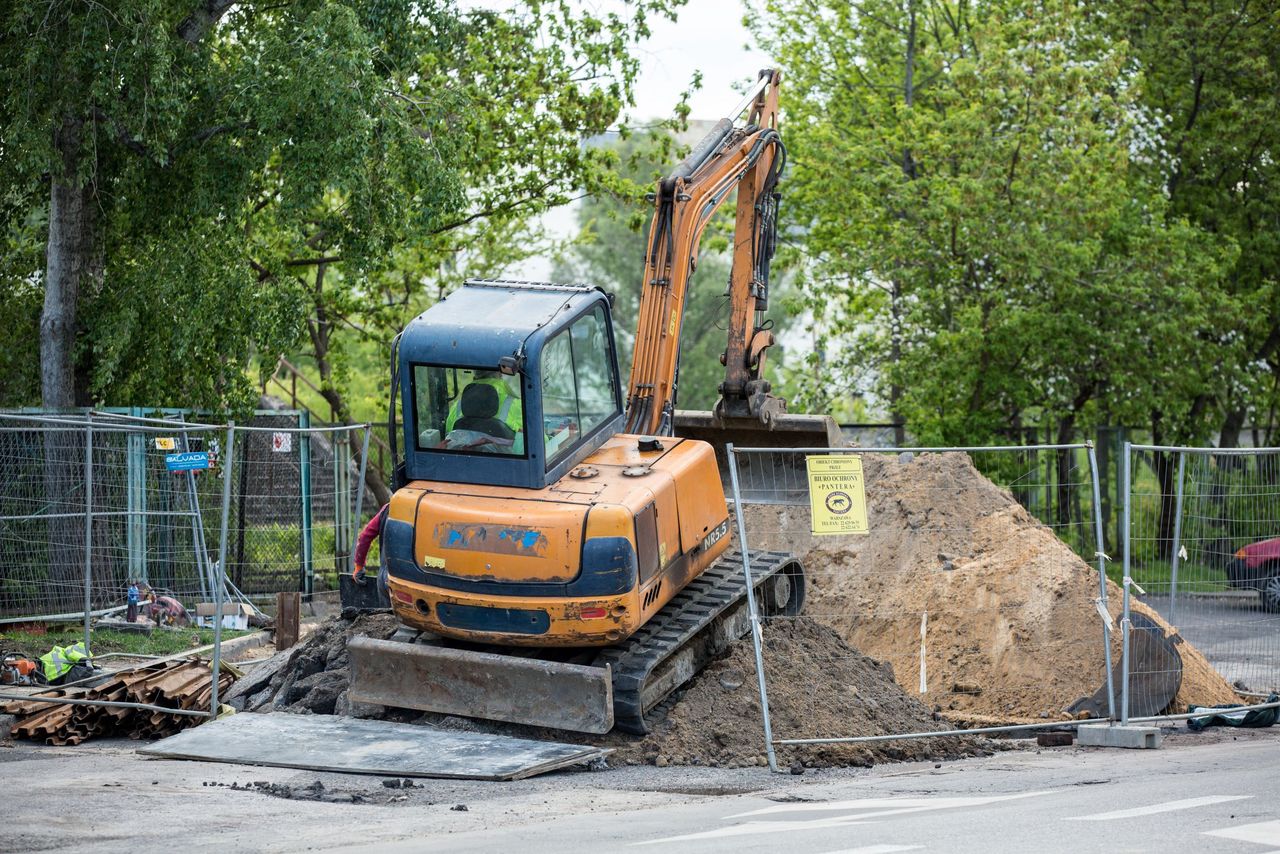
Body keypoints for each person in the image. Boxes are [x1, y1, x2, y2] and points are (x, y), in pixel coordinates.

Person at [445, 371, 523, 436]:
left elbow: (449, 436)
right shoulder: (518, 406)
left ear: (474, 374)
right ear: (500, 373)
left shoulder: (457, 406)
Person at [353, 503, 390, 590]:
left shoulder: (387, 509)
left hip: (384, 578)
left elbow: (364, 537)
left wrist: (359, 567)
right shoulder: (424, 507)